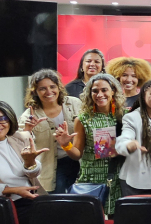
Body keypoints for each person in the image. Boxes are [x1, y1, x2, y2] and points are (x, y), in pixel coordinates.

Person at [53, 73, 125, 215]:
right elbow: (77, 154)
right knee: (90, 219)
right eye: (95, 91)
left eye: (104, 90)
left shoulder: (124, 116)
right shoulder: (83, 119)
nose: (99, 94)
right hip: (91, 179)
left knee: (115, 219)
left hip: (117, 178)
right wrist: (66, 145)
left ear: (113, 91)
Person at [18, 69, 82, 194]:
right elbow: (20, 144)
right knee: (58, 200)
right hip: (51, 166)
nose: (49, 92)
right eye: (42, 89)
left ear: (59, 87)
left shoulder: (74, 103)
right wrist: (27, 130)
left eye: (52, 87)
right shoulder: (29, 115)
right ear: (35, 92)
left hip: (78, 160)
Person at [115, 78, 151, 196]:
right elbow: (123, 139)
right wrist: (129, 145)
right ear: (144, 94)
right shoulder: (132, 117)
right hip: (138, 180)